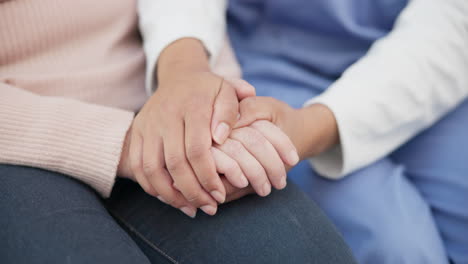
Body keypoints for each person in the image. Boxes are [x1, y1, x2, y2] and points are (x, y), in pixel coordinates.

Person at [0, 0, 358, 263]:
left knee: (307, 255)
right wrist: (131, 144)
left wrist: (205, 98)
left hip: (162, 99)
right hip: (19, 138)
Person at [226, 0, 468, 263]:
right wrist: (182, 62)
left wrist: (311, 127)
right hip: (272, 63)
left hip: (433, 58)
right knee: (396, 246)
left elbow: (452, 25)